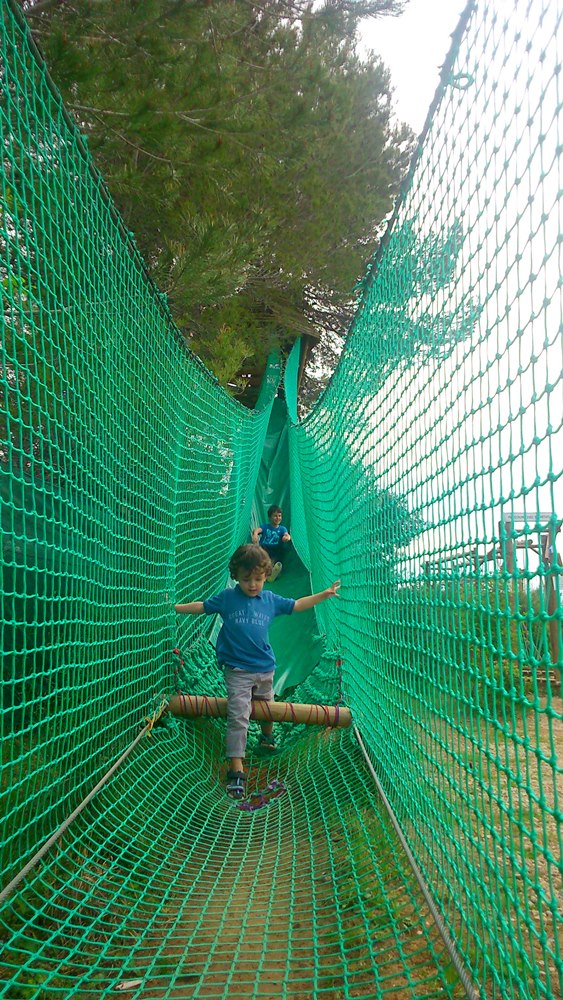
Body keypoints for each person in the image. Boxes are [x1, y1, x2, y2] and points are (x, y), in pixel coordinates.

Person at [175, 544, 340, 800]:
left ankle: (266, 736)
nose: (252, 584)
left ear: (265, 576)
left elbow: (296, 604)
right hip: (238, 671)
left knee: (267, 706)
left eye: (258, 579)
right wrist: (176, 608)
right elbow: (203, 606)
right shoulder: (229, 598)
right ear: (236, 576)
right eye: (246, 579)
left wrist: (323, 594)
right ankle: (237, 771)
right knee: (238, 715)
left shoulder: (270, 600)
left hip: (265, 668)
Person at [252, 505, 291, 581]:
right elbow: (257, 530)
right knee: (260, 556)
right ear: (270, 517)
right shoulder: (265, 527)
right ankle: (263, 572)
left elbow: (287, 535)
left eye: (279, 516)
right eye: (275, 516)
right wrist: (255, 535)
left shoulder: (282, 529)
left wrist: (287, 538)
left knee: (276, 557)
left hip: (276, 549)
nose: (278, 518)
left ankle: (273, 572)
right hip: (264, 548)